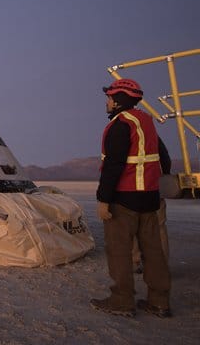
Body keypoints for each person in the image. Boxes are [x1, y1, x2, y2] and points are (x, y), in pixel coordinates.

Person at [91, 79, 172, 318]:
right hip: (150, 199)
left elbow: (113, 166)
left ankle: (121, 301)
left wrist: (103, 199)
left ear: (118, 101)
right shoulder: (146, 123)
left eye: (109, 98)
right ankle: (159, 301)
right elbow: (163, 159)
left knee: (119, 252)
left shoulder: (120, 126)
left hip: (124, 200)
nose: (106, 102)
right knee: (153, 252)